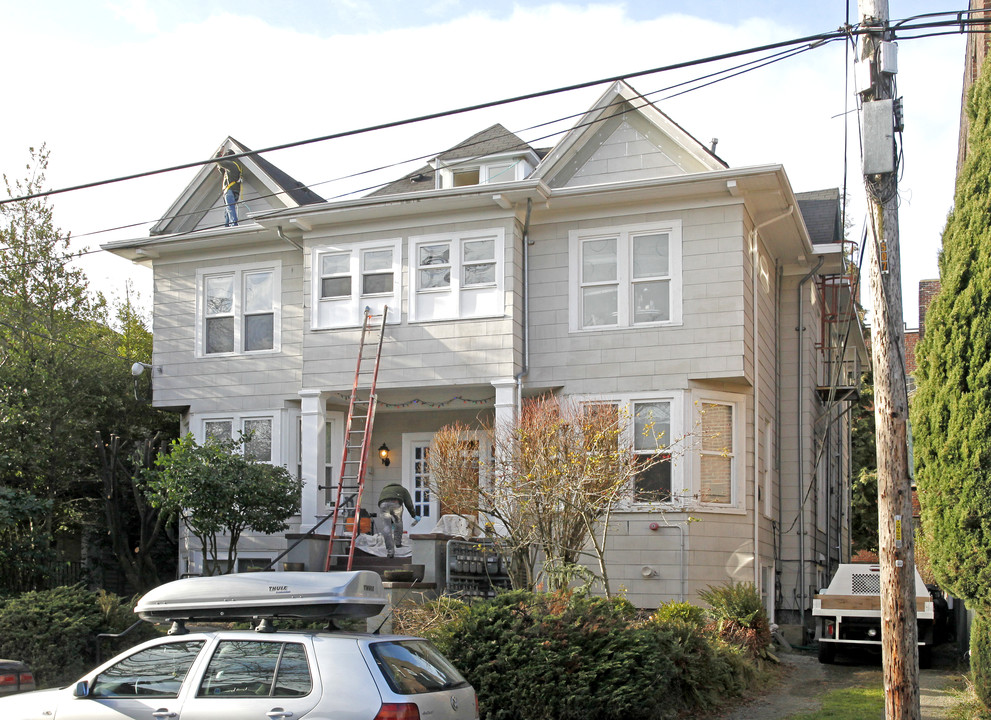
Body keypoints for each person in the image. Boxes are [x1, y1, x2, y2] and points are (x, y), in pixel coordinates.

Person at [377, 482, 420, 558]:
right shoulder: (403, 490)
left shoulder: (384, 490)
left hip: (383, 505)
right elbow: (408, 503)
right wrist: (414, 515)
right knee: (398, 522)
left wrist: (390, 522)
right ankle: (398, 543)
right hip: (395, 504)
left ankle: (390, 552)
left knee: (387, 527)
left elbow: (384, 502)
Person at [215, 149, 242, 227]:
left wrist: (220, 152)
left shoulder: (231, 164)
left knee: (230, 208)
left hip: (229, 190)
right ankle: (227, 226)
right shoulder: (235, 166)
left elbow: (218, 160)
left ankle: (234, 224)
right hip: (235, 190)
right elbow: (222, 170)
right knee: (227, 210)